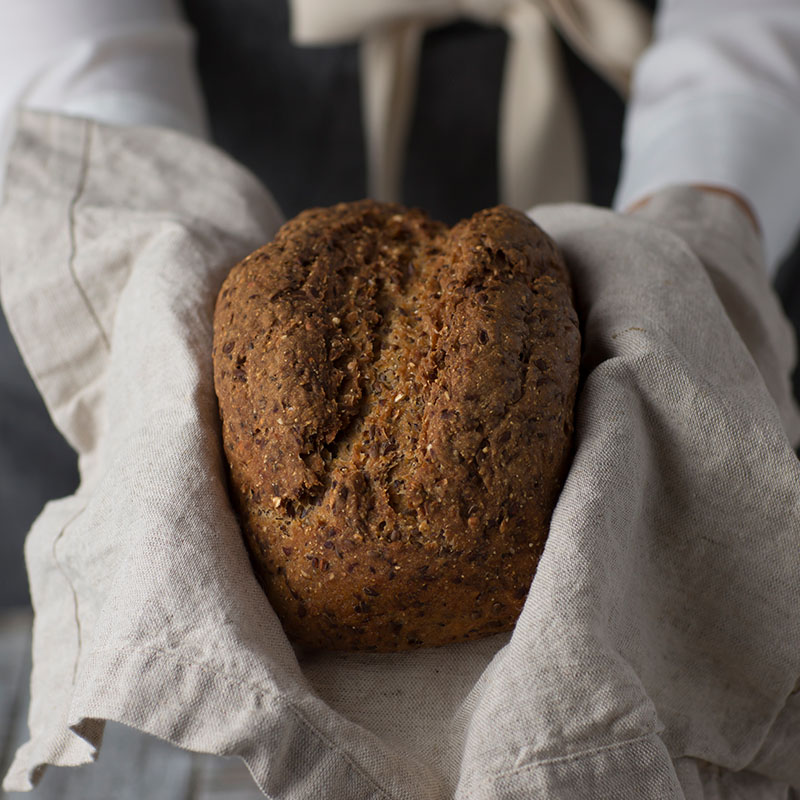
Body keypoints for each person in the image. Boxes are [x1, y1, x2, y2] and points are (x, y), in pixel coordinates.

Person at [1, 2, 799, 798]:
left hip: (650, 139)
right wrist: (127, 185)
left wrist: (710, 194)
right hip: (214, 135)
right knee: (168, 693)